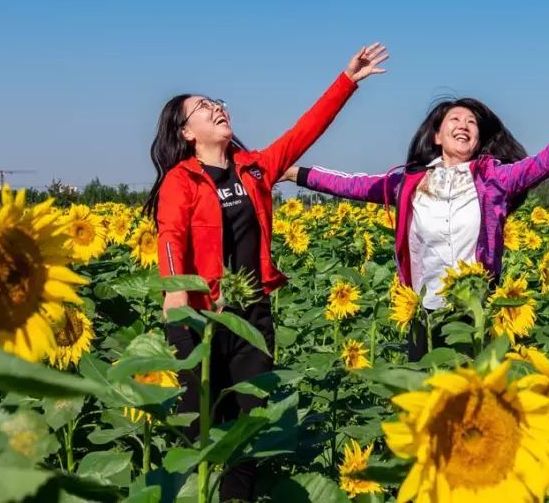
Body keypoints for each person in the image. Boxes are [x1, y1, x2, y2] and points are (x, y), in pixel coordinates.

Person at [143, 44, 388, 501]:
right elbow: (171, 238)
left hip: (251, 318)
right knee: (197, 431)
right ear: (187, 131)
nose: (216, 108)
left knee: (248, 429)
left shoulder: (254, 168)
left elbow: (304, 133)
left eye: (217, 103)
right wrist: (176, 302)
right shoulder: (181, 181)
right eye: (202, 107)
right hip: (200, 320)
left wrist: (347, 81)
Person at [283, 70, 549, 360]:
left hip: (475, 312)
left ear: (478, 138)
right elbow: (351, 184)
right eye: (455, 119)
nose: (463, 125)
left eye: (471, 122)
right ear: (436, 136)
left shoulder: (494, 178)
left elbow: (545, 163)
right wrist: (295, 173)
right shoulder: (408, 183)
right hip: (424, 311)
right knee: (424, 404)